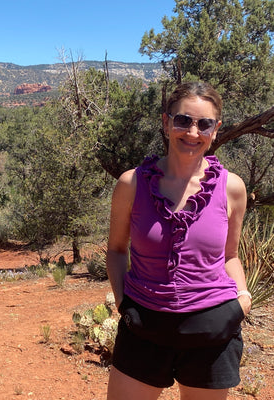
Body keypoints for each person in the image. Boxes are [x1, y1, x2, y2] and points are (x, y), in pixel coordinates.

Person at [105, 81, 251, 400]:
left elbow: (231, 256)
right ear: (166, 122)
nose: (192, 132)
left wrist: (242, 299)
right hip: (144, 324)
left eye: (204, 124)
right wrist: (122, 302)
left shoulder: (232, 189)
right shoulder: (132, 184)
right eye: (183, 120)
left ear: (216, 129)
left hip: (212, 328)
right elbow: (116, 250)